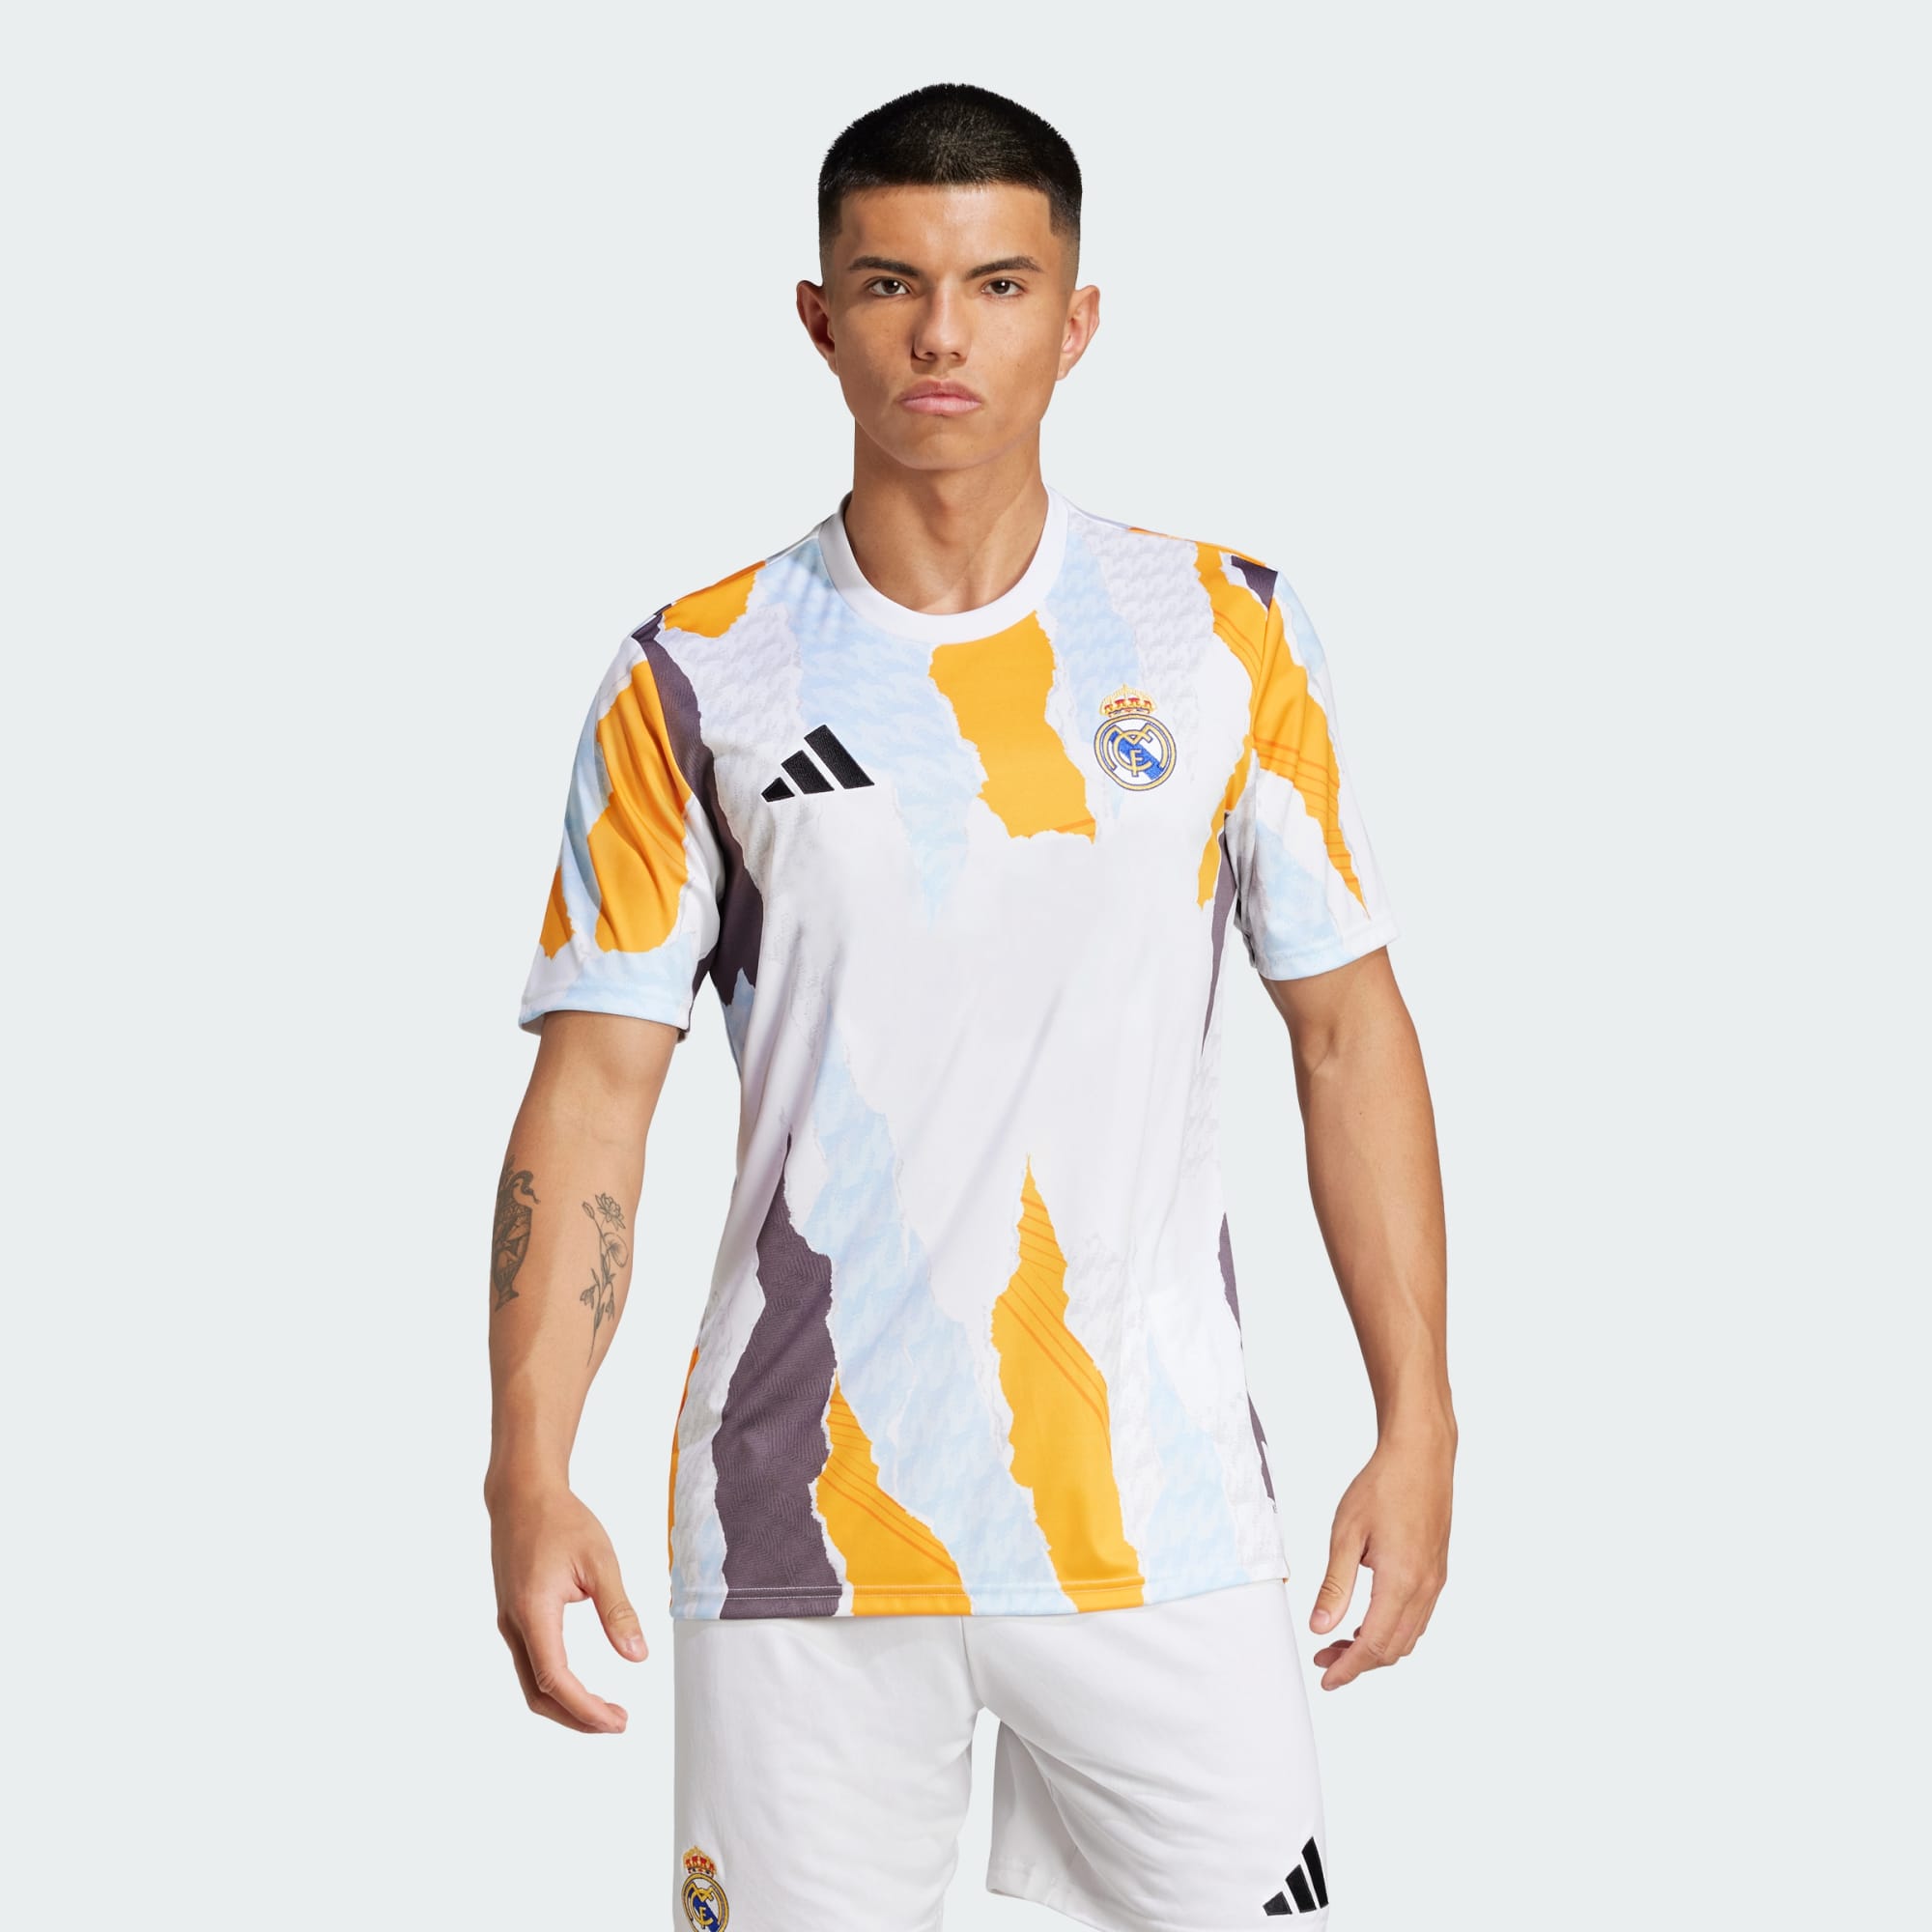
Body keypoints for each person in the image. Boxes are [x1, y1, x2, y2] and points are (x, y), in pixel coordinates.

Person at [485, 80, 1454, 1932]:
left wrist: (1422, 1420)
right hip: (800, 1527)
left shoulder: (1225, 632)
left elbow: (1348, 1031)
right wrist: (526, 1470)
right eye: (892, 284)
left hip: (1158, 1514)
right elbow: (594, 1096)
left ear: (1075, 322)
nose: (943, 334)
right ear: (818, 315)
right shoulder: (694, 672)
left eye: (999, 285)